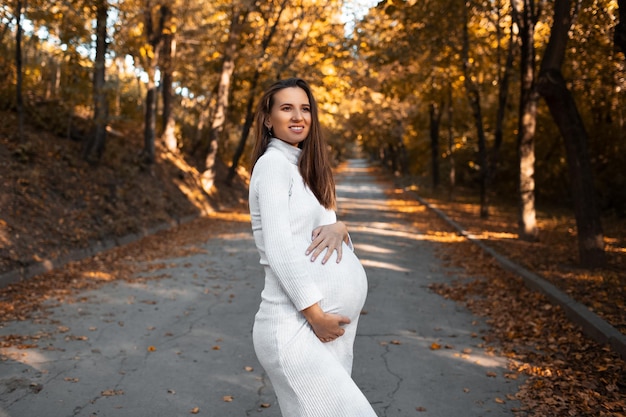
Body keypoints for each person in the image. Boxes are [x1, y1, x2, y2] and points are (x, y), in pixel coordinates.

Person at [248, 77, 377, 417]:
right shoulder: (273, 165)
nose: (298, 116)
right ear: (267, 118)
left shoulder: (304, 170)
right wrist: (316, 315)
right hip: (295, 327)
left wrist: (341, 226)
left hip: (323, 333)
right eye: (286, 108)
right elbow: (279, 248)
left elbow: (327, 236)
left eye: (304, 109)